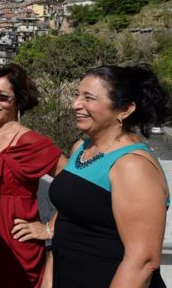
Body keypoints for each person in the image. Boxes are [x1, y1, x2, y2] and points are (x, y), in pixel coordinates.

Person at [48, 64, 168, 287]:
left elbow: (142, 261)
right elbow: (67, 225)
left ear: (125, 110)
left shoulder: (132, 166)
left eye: (89, 98)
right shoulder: (80, 148)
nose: (76, 104)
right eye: (76, 95)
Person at [0, 64, 65, 288]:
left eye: (2, 97)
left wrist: (49, 228)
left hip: (16, 247)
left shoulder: (29, 142)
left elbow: (77, 185)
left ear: (19, 101)